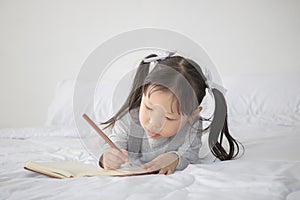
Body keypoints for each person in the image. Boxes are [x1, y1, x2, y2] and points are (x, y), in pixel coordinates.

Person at [99, 51, 241, 175]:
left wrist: (175, 158)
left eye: (168, 117)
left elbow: (190, 154)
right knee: (102, 140)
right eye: (149, 108)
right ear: (142, 94)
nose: (153, 124)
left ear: (192, 115)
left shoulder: (193, 125)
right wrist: (108, 156)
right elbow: (115, 143)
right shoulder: (130, 119)